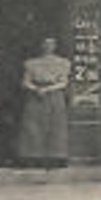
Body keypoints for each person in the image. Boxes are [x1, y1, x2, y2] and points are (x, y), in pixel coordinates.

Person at [16, 37, 70, 168]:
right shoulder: (31, 63)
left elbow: (64, 82)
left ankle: (55, 157)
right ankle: (33, 157)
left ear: (55, 46)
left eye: (51, 44)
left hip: (54, 96)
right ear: (40, 46)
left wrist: (47, 89)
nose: (48, 46)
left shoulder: (63, 63)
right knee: (33, 127)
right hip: (36, 97)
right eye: (45, 43)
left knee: (55, 127)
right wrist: (36, 89)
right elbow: (25, 81)